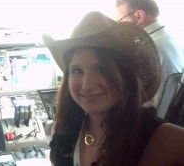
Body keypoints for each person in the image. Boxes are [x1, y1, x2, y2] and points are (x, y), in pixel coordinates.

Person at [43, 11, 184, 166]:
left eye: (101, 69)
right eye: (77, 70)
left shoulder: (168, 140)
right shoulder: (64, 129)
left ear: (126, 75)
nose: (87, 85)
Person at [114, 0, 184, 117]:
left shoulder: (147, 49)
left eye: (120, 21)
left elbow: (137, 100)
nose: (118, 28)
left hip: (151, 122)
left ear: (139, 16)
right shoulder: (170, 39)